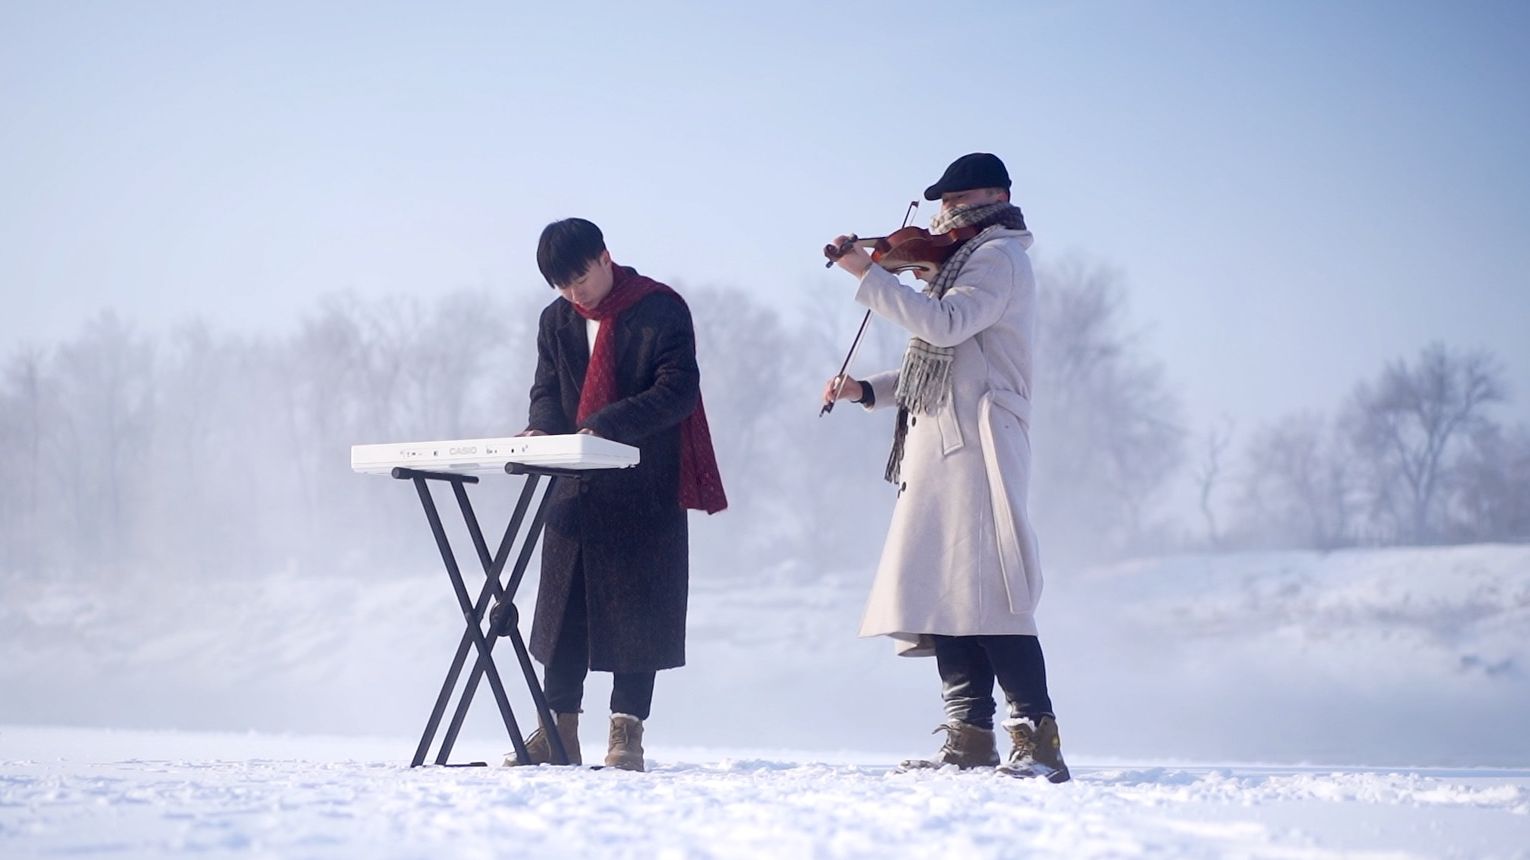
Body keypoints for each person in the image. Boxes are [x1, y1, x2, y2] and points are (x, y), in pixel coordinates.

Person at [821, 153, 1069, 781]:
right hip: (939, 445)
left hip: (981, 443)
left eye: (952, 204)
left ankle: (1036, 739)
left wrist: (868, 277)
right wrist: (866, 391)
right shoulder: (959, 262)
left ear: (988, 196)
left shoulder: (997, 259)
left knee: (994, 594)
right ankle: (969, 736)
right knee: (944, 592)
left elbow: (946, 325)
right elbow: (938, 363)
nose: (941, 217)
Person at [502, 217, 726, 772]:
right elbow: (547, 392)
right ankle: (558, 732)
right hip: (575, 484)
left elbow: (677, 390)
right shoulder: (556, 320)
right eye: (561, 285)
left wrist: (607, 424)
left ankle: (627, 734)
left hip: (644, 481)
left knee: (637, 611)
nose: (574, 293)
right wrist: (540, 430)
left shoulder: (659, 308)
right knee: (563, 613)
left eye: (580, 277)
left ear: (605, 257)